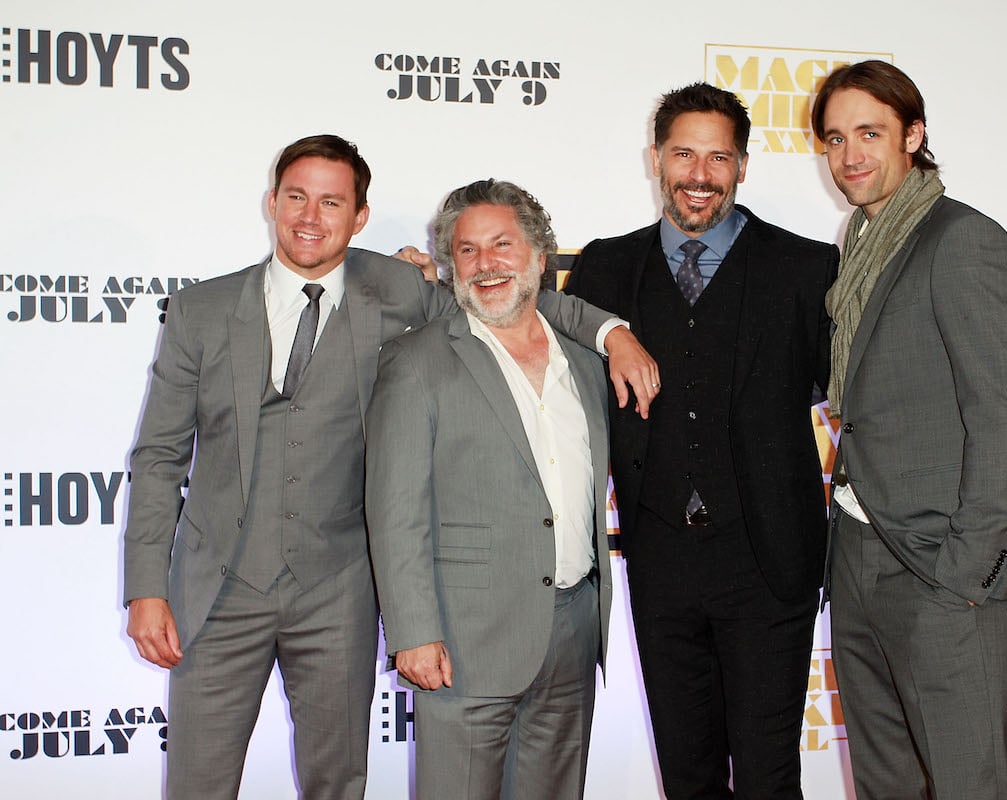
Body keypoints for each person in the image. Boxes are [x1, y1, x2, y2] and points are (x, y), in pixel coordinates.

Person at [122, 135, 656, 799]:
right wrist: (147, 584)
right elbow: (158, 455)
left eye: (331, 201)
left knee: (340, 783)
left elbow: (511, 302)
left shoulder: (397, 288)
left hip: (339, 592)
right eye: (296, 197)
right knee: (197, 783)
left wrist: (612, 332)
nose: (310, 216)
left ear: (360, 216)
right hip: (217, 590)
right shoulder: (200, 310)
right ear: (272, 201)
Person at [563, 83, 839, 798]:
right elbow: (511, 316)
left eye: (719, 157)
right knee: (686, 775)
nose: (699, 174)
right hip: (660, 564)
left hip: (770, 559)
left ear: (743, 166)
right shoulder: (605, 268)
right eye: (684, 153)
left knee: (768, 773)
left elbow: (860, 396)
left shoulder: (807, 270)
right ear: (656, 158)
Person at [811, 60, 1007, 800]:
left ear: (914, 133)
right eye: (836, 138)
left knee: (968, 779)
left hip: (940, 567)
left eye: (869, 133)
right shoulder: (859, 242)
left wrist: (969, 571)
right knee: (885, 783)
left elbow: (1002, 414)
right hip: (858, 555)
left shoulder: (961, 241)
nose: (850, 157)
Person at [366, 179, 612, 800]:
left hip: (573, 630)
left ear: (539, 256)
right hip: (462, 640)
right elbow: (396, 511)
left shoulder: (584, 363)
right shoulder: (415, 361)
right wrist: (413, 631)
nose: (486, 264)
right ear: (449, 268)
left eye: (502, 245)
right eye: (467, 251)